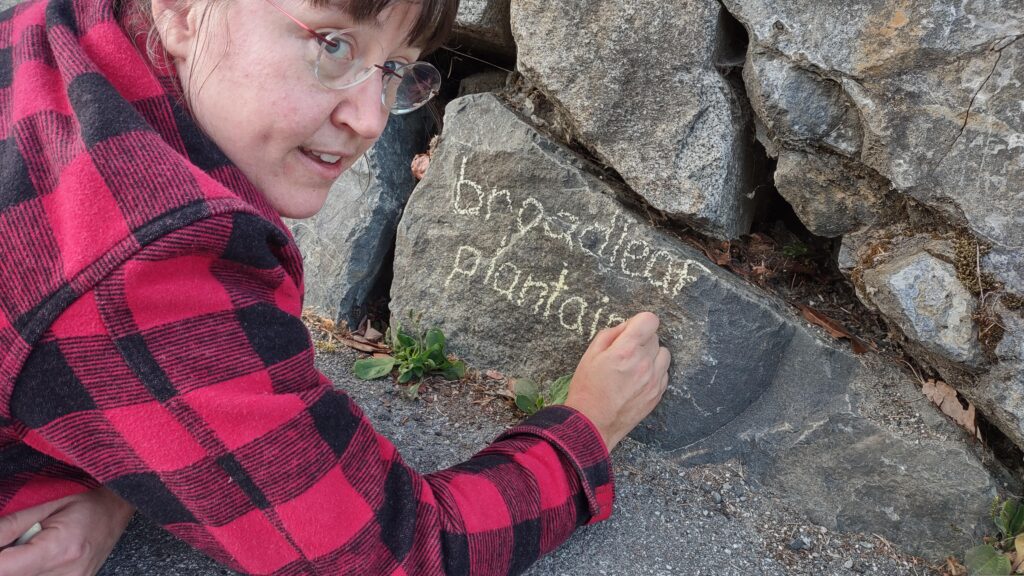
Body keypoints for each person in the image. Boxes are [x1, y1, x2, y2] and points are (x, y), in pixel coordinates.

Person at [0, 0, 671, 573]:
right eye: (331, 43)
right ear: (178, 9)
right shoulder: (152, 263)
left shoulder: (56, 31)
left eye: (396, 68)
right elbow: (391, 553)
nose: (372, 119)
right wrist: (585, 430)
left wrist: (122, 478)